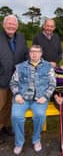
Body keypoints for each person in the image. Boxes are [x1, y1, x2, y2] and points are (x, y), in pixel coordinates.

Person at [10, 45, 56, 155]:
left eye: (37, 52)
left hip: (39, 99)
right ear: (29, 53)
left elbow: (52, 83)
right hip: (22, 98)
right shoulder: (20, 67)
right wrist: (16, 94)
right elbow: (13, 82)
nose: (34, 54)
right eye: (32, 52)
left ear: (41, 53)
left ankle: (36, 139)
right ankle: (19, 142)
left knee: (40, 115)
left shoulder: (48, 66)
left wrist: (45, 97)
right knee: (16, 116)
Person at [0, 15, 28, 144]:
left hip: (16, 80)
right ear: (3, 24)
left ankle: (5, 126)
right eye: (8, 23)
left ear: (17, 26)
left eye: (13, 24)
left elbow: (26, 55)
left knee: (10, 105)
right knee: (1, 105)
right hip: (1, 78)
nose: (11, 26)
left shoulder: (21, 37)